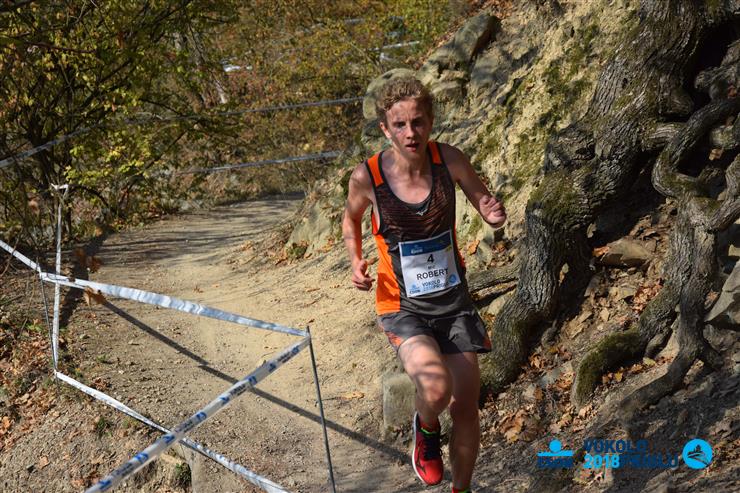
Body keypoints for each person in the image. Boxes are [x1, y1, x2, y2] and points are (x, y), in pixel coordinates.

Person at [342, 76, 506, 493]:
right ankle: (427, 427)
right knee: (435, 388)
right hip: (403, 306)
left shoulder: (449, 160)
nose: (410, 133)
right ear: (385, 129)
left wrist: (492, 213)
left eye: (418, 122)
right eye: (400, 125)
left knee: (466, 406)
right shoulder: (368, 176)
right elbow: (351, 218)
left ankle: (461, 488)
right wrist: (356, 260)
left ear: (431, 122)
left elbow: (484, 203)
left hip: (453, 302)